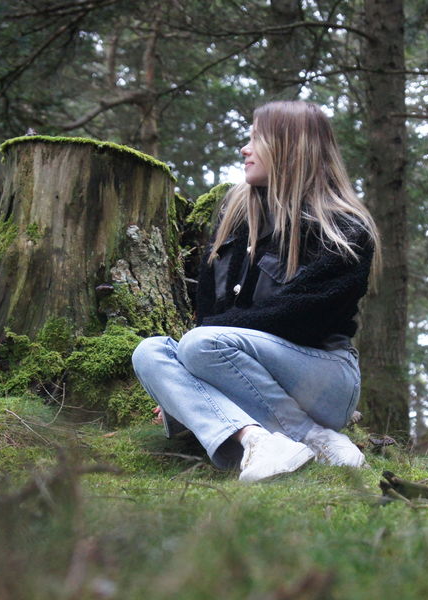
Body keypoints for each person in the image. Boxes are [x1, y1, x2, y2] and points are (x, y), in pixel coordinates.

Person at [131, 100, 380, 482]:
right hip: (240, 370)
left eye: (256, 140)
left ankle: (310, 436)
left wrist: (193, 379)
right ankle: (257, 441)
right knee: (149, 352)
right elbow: (209, 318)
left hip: (325, 377)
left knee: (199, 344)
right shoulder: (234, 224)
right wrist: (190, 376)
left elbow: (303, 319)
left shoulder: (343, 228)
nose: (245, 150)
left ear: (290, 148)